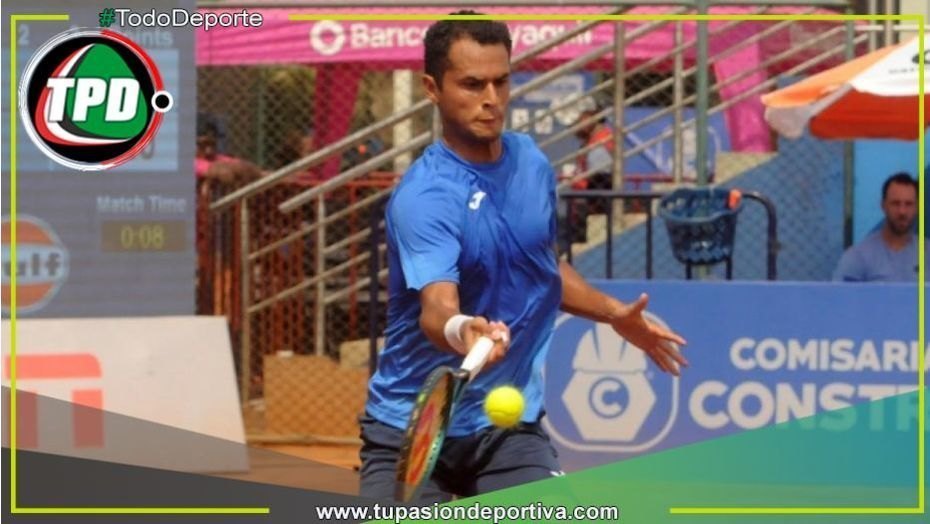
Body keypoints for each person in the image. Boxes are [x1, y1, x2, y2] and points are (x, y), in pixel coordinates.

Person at [360, 11, 688, 503]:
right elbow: (437, 308)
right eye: (471, 84)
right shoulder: (425, 197)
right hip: (410, 429)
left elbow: (540, 264)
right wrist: (463, 330)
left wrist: (613, 313)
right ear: (432, 88)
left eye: (501, 81)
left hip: (505, 428)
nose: (491, 100)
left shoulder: (531, 163)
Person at [833, 172, 922, 282]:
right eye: (895, 203)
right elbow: (840, 297)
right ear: (883, 206)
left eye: (908, 204)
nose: (902, 211)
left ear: (918, 207)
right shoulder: (858, 258)